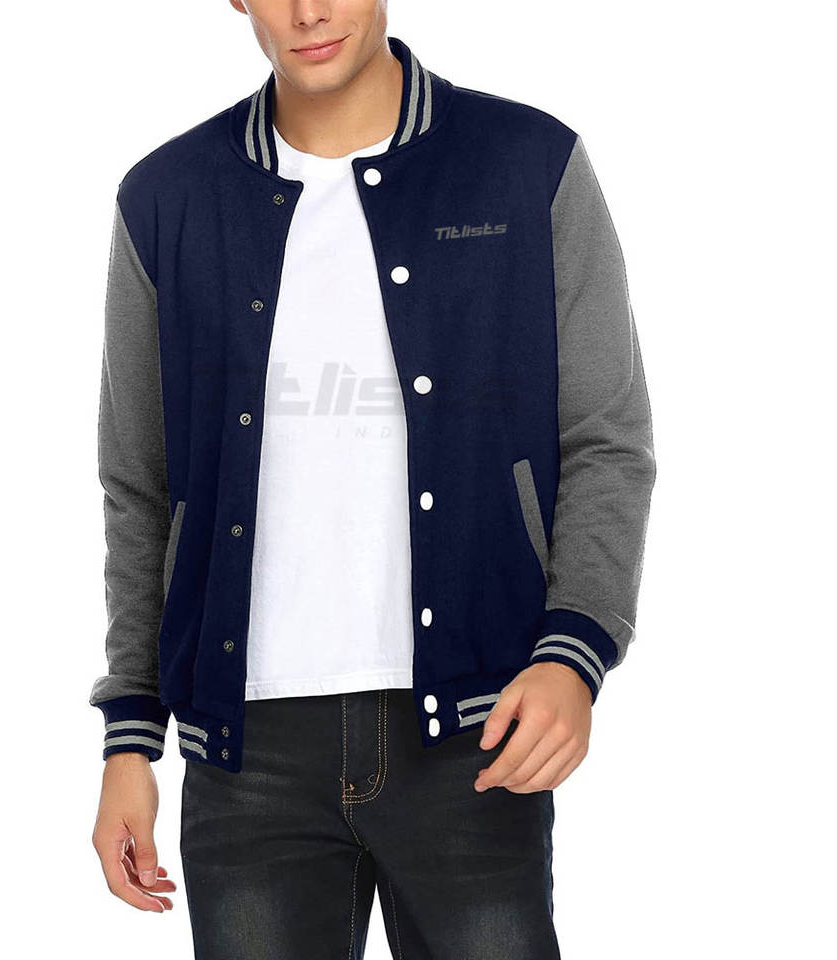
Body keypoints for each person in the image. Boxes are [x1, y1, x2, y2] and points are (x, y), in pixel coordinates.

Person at [90, 3, 656, 957]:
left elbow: (607, 437)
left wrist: (574, 652)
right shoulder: (166, 198)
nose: (308, 10)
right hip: (246, 760)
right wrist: (129, 736)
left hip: (477, 735)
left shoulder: (528, 165)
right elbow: (140, 486)